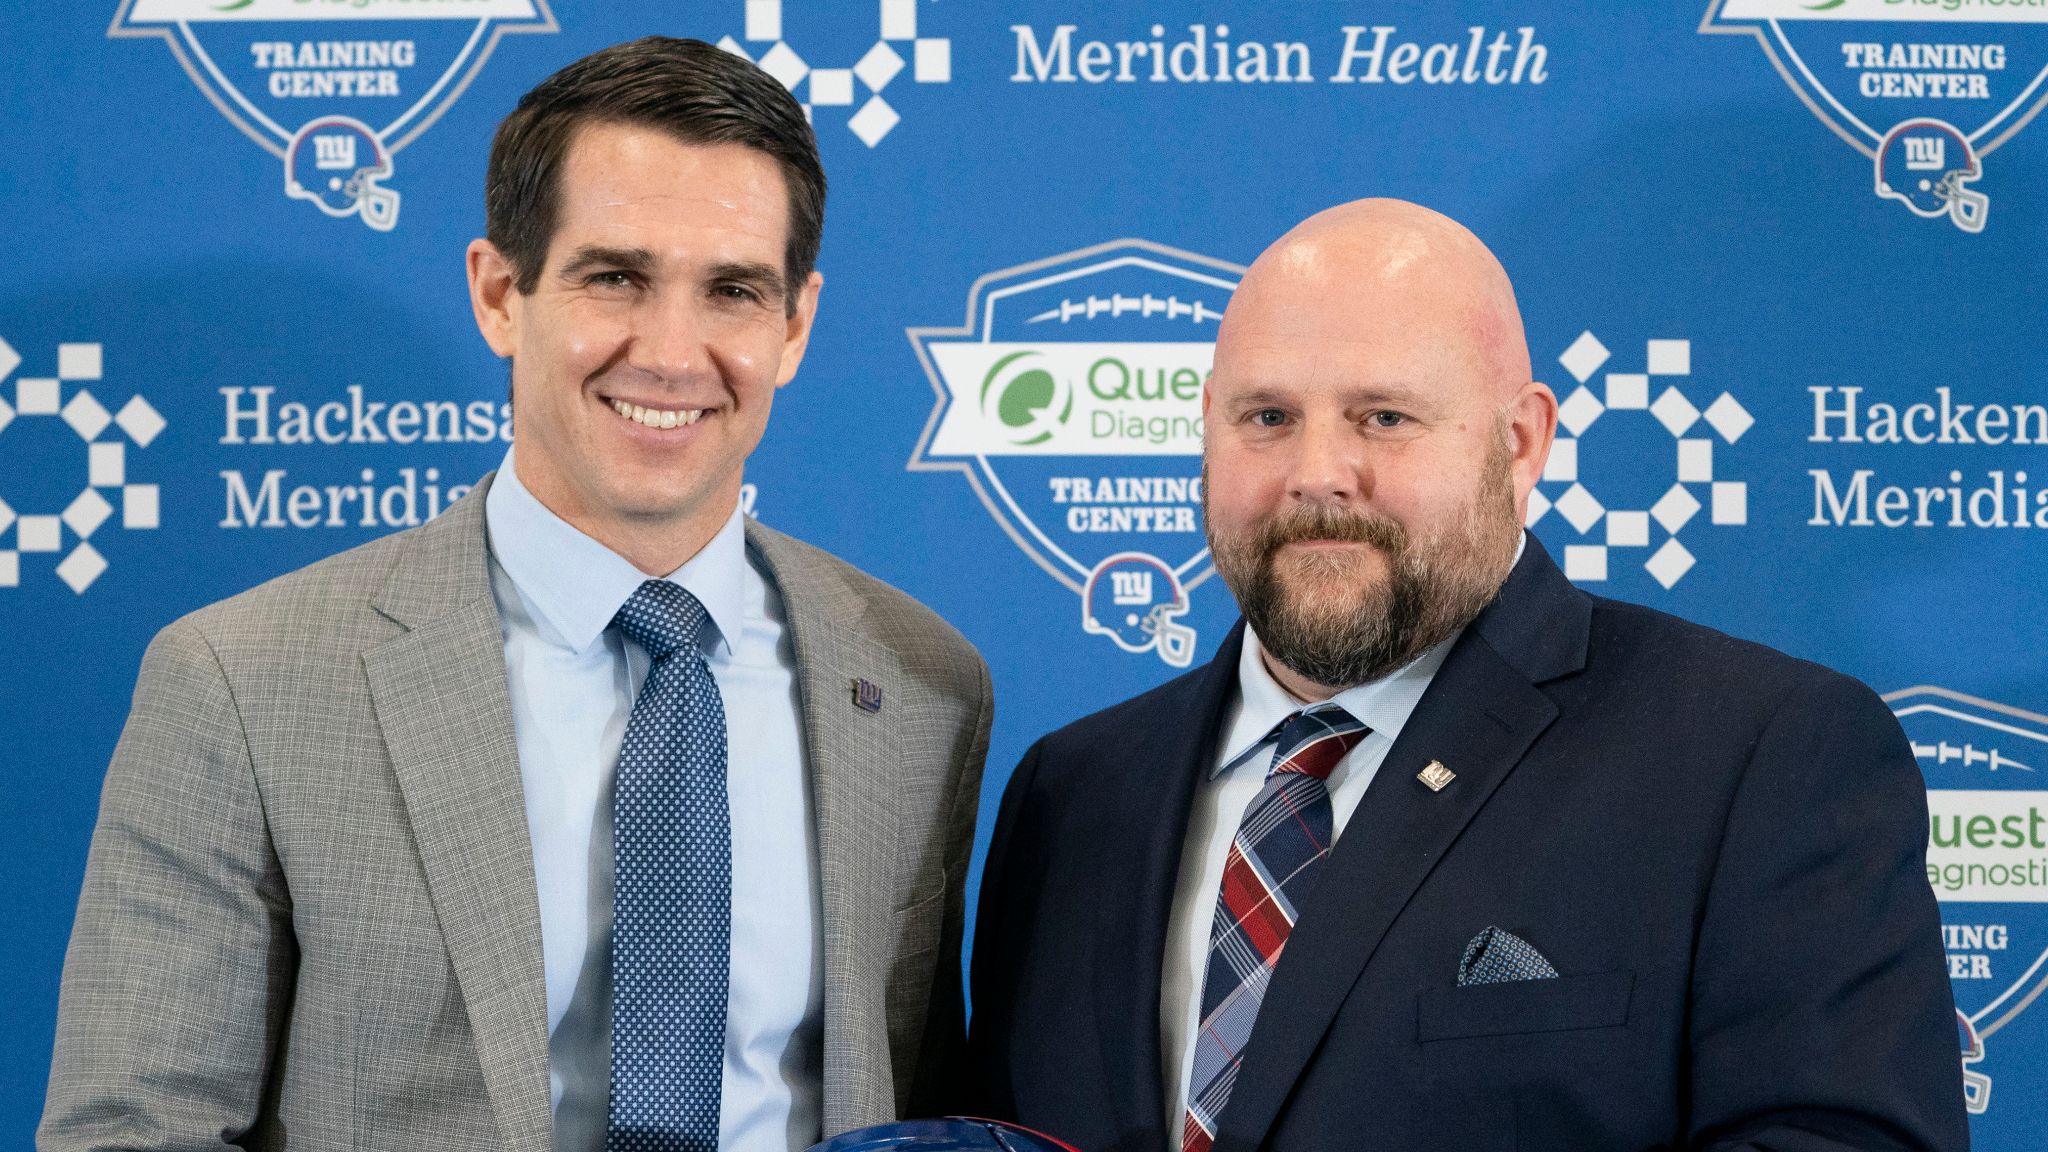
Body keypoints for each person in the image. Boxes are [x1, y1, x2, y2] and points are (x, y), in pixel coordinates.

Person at [42, 37, 990, 1152]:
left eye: (731, 291)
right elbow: (134, 1133)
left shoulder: (920, 685)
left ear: (793, 325)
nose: (672, 353)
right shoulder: (242, 682)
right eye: (614, 278)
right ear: (500, 294)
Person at [963, 199, 1963, 1152]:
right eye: (1265, 416)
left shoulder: (1757, 759)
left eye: (1382, 417)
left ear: (1519, 442)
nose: (1317, 471)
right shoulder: (1071, 791)